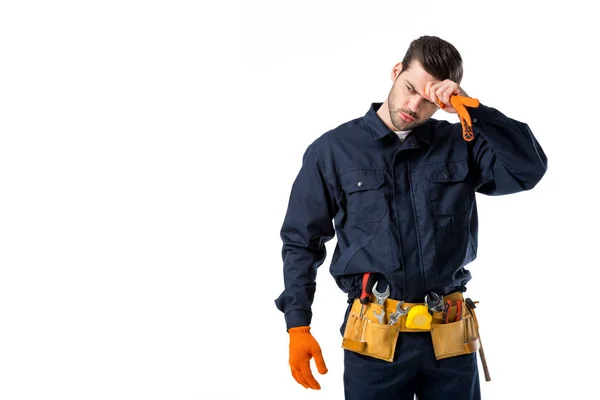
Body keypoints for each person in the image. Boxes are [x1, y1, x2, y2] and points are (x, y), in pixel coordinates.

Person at [274, 35, 548, 399]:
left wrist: (474, 110)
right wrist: (298, 325)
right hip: (374, 340)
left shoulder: (461, 143)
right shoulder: (333, 151)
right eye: (409, 88)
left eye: (429, 99)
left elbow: (528, 169)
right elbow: (301, 241)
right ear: (395, 71)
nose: (414, 105)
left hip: (449, 338)